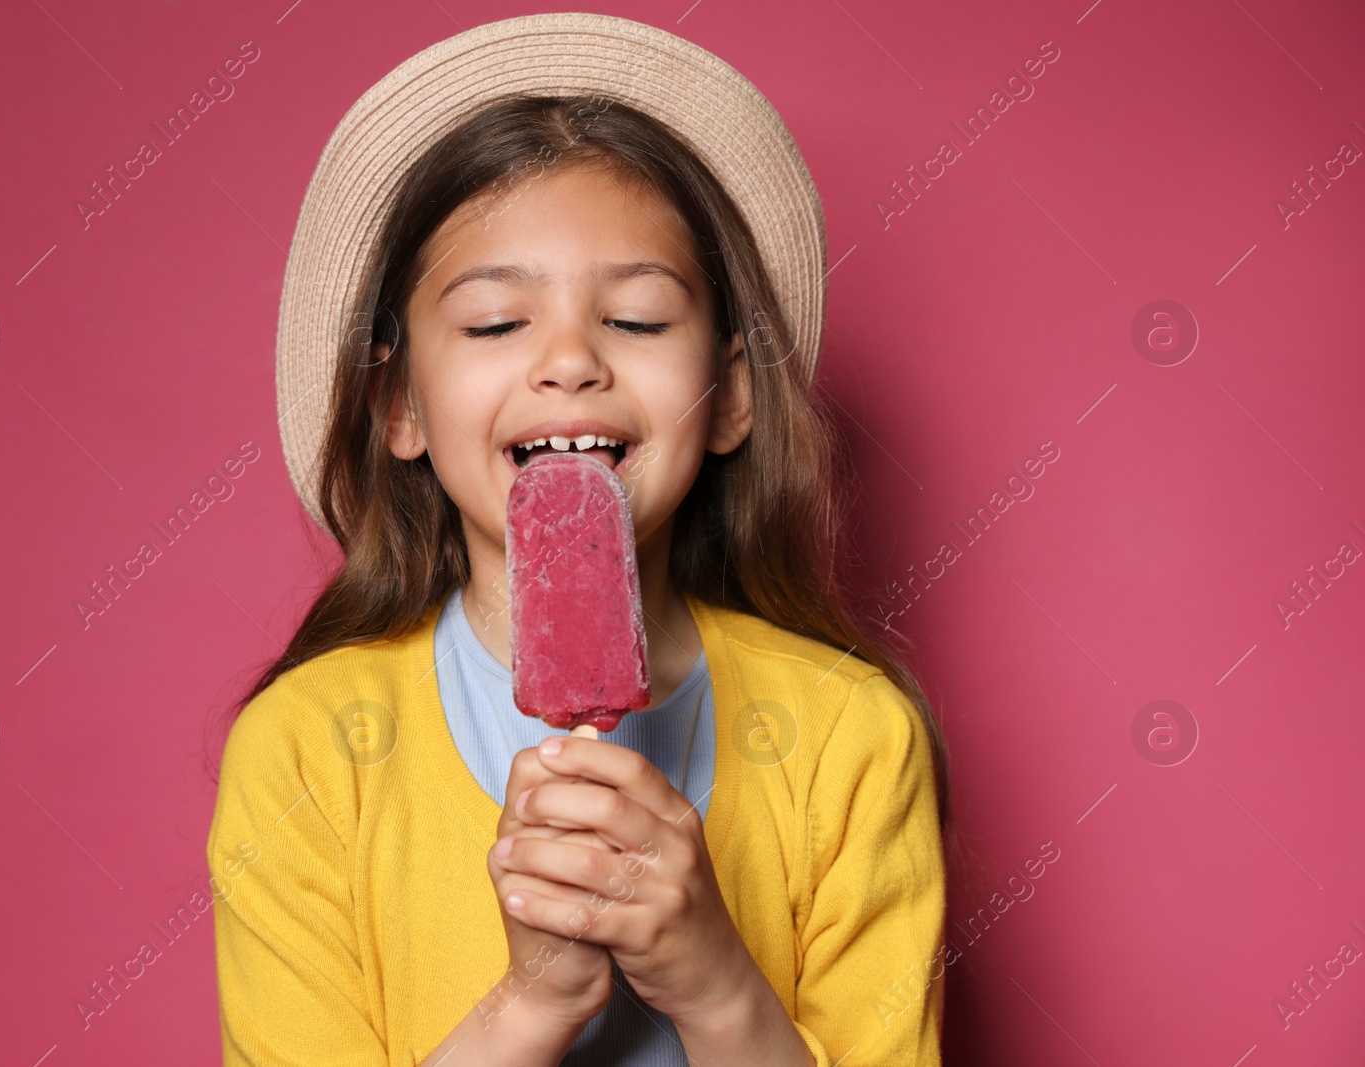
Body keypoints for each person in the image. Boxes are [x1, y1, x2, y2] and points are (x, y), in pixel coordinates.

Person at [206, 13, 951, 1066]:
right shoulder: (307, 750)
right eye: (494, 323)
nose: (569, 361)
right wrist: (532, 999)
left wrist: (714, 979)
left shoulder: (850, 738)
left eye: (638, 321)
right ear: (399, 409)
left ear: (732, 394)